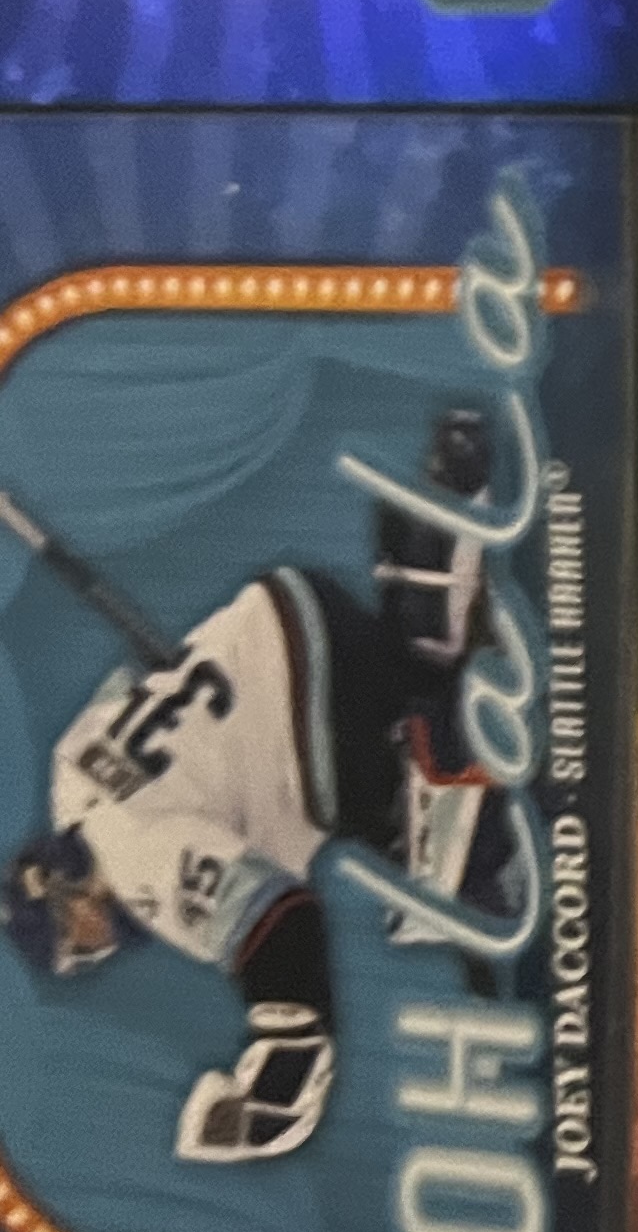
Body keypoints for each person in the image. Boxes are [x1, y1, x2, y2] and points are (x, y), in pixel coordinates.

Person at [0, 418, 528, 1164]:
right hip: (284, 613)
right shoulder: (69, 770)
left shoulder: (140, 873)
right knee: (408, 681)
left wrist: (275, 1083)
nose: (98, 949)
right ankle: (432, 556)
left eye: (76, 940)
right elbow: (138, 682)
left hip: (309, 728)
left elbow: (279, 919)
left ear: (67, 890)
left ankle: (458, 714)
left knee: (451, 882)